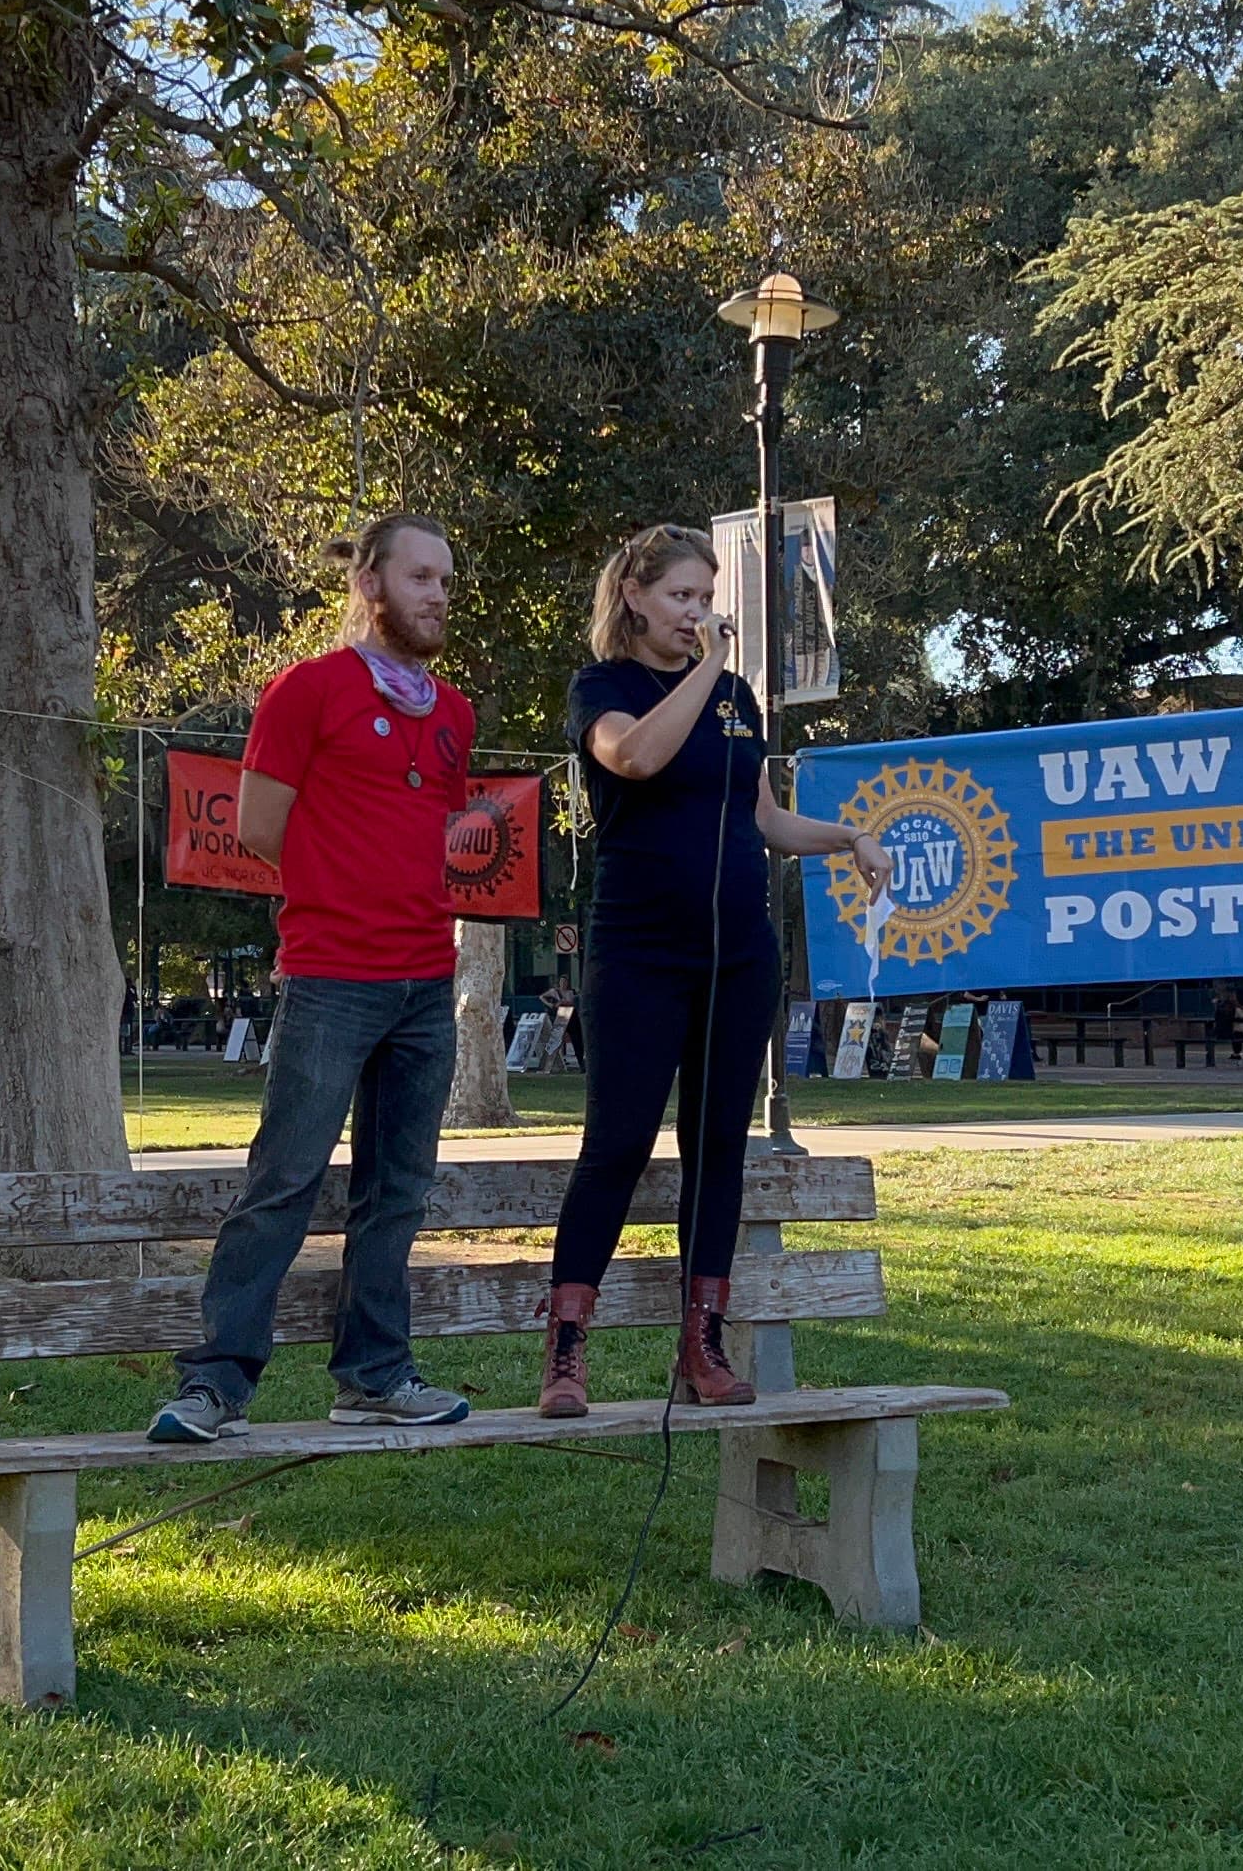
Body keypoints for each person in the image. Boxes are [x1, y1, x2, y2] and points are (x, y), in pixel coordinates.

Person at [534, 524, 886, 1419]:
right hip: (638, 950)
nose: (697, 613)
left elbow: (763, 818)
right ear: (635, 597)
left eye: (705, 597)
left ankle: (703, 1344)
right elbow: (636, 757)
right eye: (681, 597)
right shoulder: (605, 688)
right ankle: (567, 1349)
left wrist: (848, 836)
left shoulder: (735, 699)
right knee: (618, 1144)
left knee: (718, 1145)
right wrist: (709, 669)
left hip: (736, 955)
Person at [153, 515, 483, 1442]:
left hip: (427, 980)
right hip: (331, 975)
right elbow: (261, 828)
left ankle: (374, 1378)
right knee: (285, 1180)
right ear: (369, 583)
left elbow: (428, 833)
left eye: (445, 581)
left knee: (397, 1191)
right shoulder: (306, 690)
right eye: (420, 577)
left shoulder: (454, 714)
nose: (438, 595)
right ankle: (215, 1383)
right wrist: (340, 889)